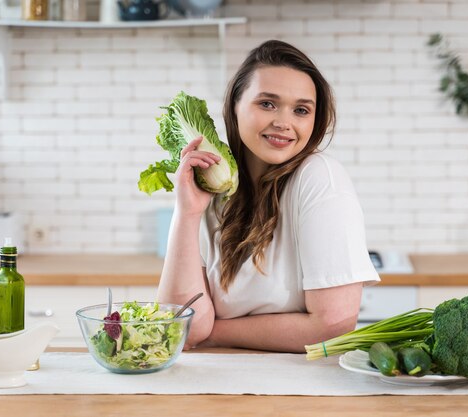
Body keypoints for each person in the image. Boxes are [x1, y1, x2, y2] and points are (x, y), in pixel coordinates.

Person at [157, 40, 380, 353]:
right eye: (267, 104)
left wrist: (215, 333)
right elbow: (179, 323)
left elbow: (333, 323)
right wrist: (187, 214)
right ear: (234, 106)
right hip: (217, 386)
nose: (283, 123)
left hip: (300, 388)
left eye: (301, 110)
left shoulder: (318, 177)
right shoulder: (214, 191)